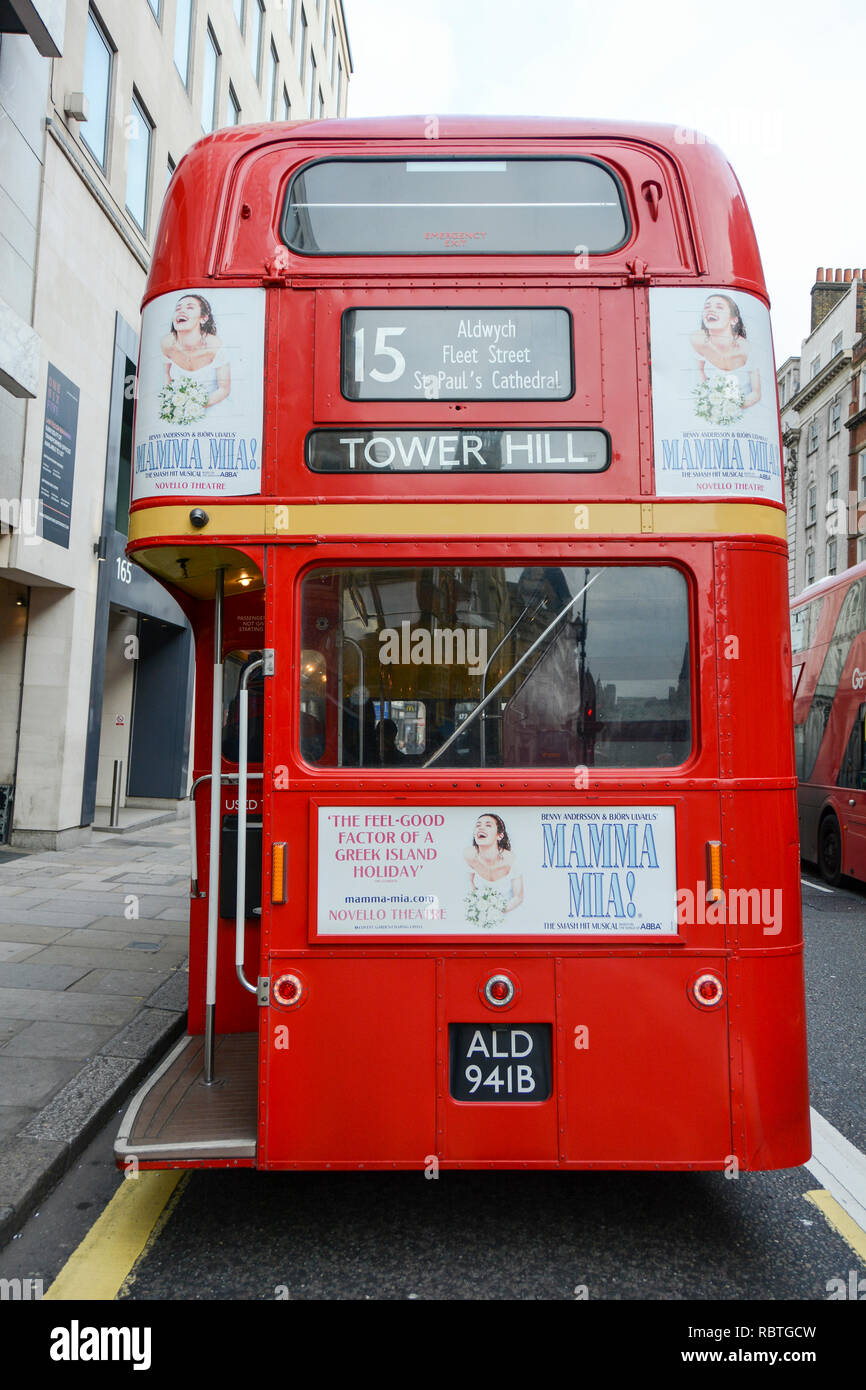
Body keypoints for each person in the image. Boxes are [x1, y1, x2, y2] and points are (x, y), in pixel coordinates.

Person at [689, 293, 760, 407]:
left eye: (719, 307)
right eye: (707, 307)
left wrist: (731, 407)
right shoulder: (697, 340)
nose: (711, 310)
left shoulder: (748, 350)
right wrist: (710, 404)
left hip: (743, 412)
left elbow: (756, 393)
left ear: (734, 320)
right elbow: (700, 376)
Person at [160, 294, 231, 409]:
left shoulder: (215, 346)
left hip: (215, 408)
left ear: (203, 318)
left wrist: (194, 407)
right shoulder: (167, 344)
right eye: (178, 308)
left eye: (189, 307)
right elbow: (167, 376)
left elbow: (224, 389)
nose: (181, 311)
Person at [463, 812, 524, 915]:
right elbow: (469, 884)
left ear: (499, 836)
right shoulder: (469, 855)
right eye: (478, 825)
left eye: (488, 825)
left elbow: (518, 897)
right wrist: (479, 910)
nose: (481, 828)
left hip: (510, 913)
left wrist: (495, 913)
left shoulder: (511, 860)